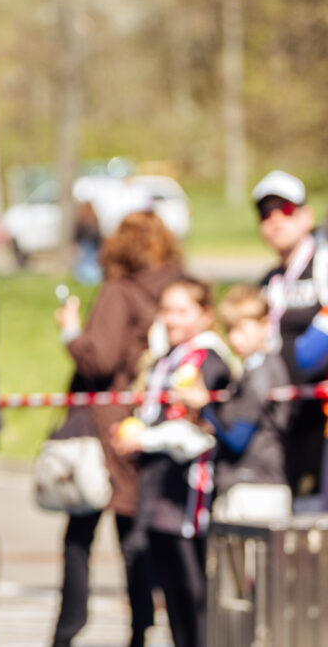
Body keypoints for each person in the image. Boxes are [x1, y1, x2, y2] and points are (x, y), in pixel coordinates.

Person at [50, 211, 181, 647]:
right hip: (144, 420)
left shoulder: (119, 291)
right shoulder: (173, 290)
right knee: (132, 531)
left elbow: (98, 360)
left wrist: (70, 331)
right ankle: (140, 628)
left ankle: (67, 629)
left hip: (104, 427)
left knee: (80, 533)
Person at [114, 277, 233, 647]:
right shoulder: (168, 356)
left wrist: (144, 438)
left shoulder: (206, 358)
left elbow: (196, 430)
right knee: (169, 585)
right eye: (166, 310)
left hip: (188, 485)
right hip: (157, 482)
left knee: (190, 585)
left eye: (182, 311)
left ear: (205, 314)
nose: (171, 319)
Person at [174, 284, 291, 522]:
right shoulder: (250, 370)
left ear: (265, 325)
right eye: (230, 330)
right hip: (245, 486)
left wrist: (204, 406)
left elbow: (237, 440)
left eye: (242, 328)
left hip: (256, 489)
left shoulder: (261, 373)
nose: (235, 338)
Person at [253, 170, 328, 508]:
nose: (275, 220)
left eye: (284, 209)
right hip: (282, 421)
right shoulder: (269, 281)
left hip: (319, 420)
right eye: (265, 213)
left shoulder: (322, 266)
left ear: (306, 216)